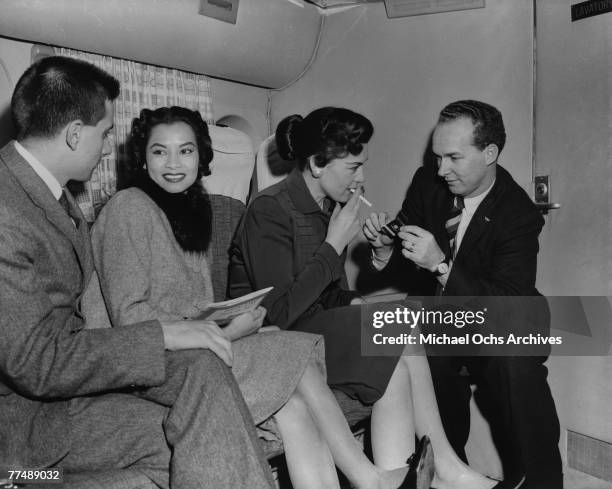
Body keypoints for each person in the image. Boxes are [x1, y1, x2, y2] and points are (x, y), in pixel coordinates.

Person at [89, 105, 420, 489]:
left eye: (186, 151)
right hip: (137, 360)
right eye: (159, 151)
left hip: (188, 347)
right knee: (292, 354)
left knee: (292, 404)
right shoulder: (128, 207)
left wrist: (235, 326)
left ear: (201, 158)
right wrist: (226, 334)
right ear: (144, 161)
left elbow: (194, 312)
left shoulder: (190, 215)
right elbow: (132, 323)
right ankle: (370, 479)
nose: (173, 163)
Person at [0, 56, 276, 489]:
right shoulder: (6, 210)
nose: (110, 147)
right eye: (105, 133)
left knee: (202, 417)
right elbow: (36, 363)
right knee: (198, 428)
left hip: (61, 402)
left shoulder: (52, 195)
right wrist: (165, 333)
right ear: (75, 134)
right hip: (22, 432)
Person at [229, 106, 496, 489]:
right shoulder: (269, 210)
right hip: (276, 341)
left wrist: (357, 304)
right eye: (354, 167)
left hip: (313, 331)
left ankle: (417, 469)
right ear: (318, 165)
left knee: (400, 331)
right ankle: (441, 470)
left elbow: (330, 294)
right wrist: (334, 241)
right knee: (395, 329)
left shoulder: (329, 207)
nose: (362, 177)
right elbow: (279, 313)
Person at [363, 100, 563, 489]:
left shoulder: (518, 214)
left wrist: (440, 265)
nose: (441, 170)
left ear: (490, 153)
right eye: (438, 157)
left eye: (454, 157)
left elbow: (506, 299)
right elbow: (409, 242)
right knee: (413, 350)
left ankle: (543, 480)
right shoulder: (428, 182)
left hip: (504, 316)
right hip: (441, 316)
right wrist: (385, 250)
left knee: (516, 364)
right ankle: (446, 472)